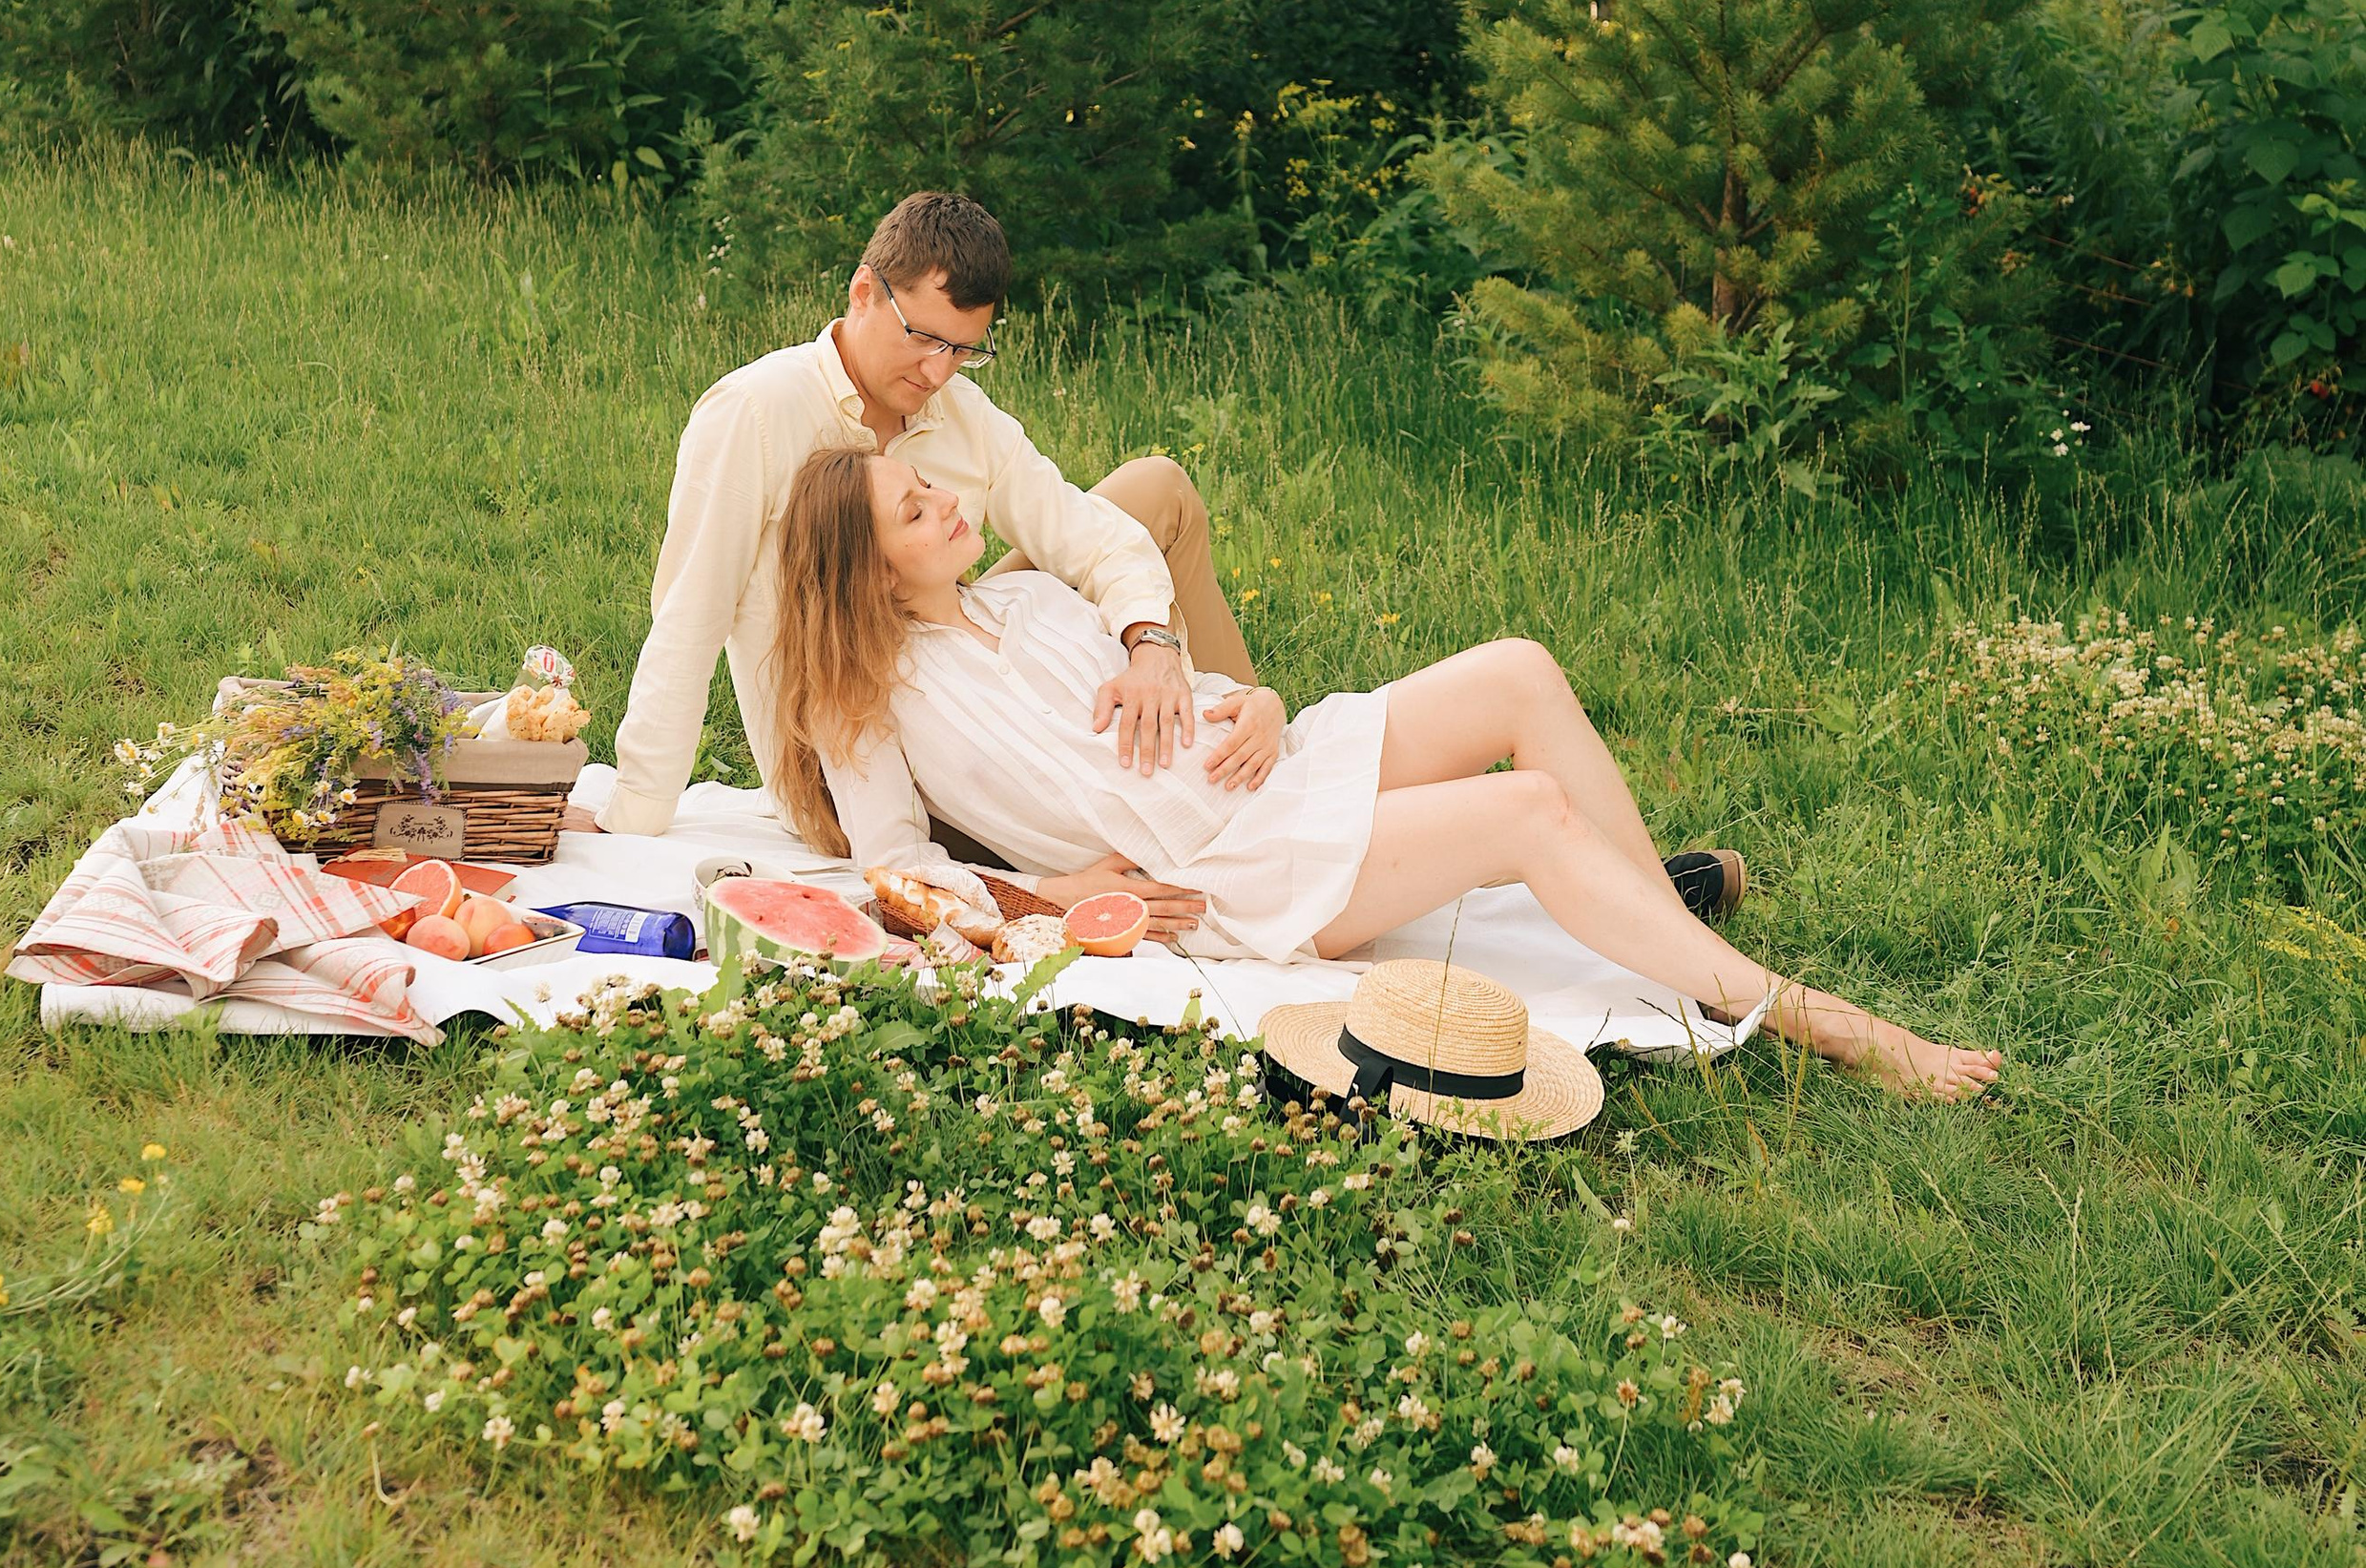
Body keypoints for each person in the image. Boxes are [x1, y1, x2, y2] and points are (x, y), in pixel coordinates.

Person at [768, 445, 2002, 1103]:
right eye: (909, 507)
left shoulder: (1030, 596)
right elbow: (895, 869)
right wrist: (1055, 891)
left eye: (929, 483)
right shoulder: (870, 705)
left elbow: (1177, 697)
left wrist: (1252, 697)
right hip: (1234, 864)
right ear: (866, 569)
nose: (941, 500)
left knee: (1519, 666)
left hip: (1270, 767)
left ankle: (1658, 924)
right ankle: (1817, 1018)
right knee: (1527, 811)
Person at [600, 190, 1258, 839]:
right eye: (924, 337)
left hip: (975, 708)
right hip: (861, 768)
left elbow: (1092, 538)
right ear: (864, 292)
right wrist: (635, 814)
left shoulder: (962, 414)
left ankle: (1240, 735)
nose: (939, 369)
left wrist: (1152, 645)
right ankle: (1233, 783)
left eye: (964, 349)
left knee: (1155, 489)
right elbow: (689, 619)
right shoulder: (756, 410)